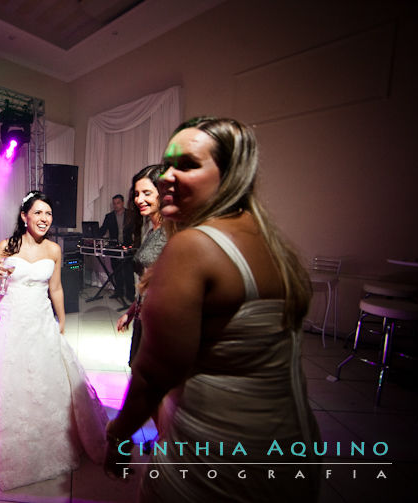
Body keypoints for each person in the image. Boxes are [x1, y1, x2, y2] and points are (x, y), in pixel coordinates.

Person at [104, 117, 321, 502]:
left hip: (218, 453)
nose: (166, 177)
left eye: (186, 165)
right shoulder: (269, 240)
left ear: (230, 175)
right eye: (167, 164)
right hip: (289, 443)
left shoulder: (194, 247)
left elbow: (153, 377)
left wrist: (118, 436)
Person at [0, 190, 108, 490]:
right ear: (24, 216)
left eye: (48, 214)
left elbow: (57, 288)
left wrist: (61, 319)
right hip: (10, 323)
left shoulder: (54, 250)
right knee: (14, 386)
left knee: (48, 382)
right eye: (38, 213)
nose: (44, 219)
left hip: (40, 322)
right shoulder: (7, 246)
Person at [116, 164, 168, 367]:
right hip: (143, 316)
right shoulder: (152, 230)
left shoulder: (173, 232)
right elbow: (148, 282)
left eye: (147, 193)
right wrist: (131, 312)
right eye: (137, 194)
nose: (139, 200)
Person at [99, 194, 134, 302]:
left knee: (128, 271)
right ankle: (118, 292)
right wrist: (93, 234)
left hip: (128, 246)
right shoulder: (109, 216)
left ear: (122, 203)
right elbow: (103, 230)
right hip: (114, 247)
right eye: (114, 203)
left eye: (118, 203)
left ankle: (130, 295)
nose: (116, 205)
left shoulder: (130, 214)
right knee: (116, 271)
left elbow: (136, 230)